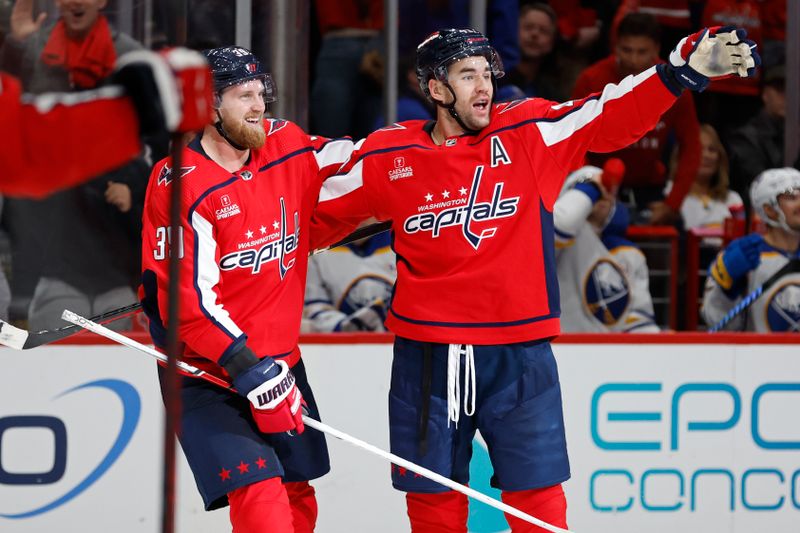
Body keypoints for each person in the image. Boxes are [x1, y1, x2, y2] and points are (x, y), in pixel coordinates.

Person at [310, 26, 758, 531]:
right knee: (432, 497)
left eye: (487, 74)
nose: (484, 87)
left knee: (538, 499)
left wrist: (679, 73)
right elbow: (301, 206)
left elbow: (606, 115)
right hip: (427, 354)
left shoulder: (528, 131)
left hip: (520, 351)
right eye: (466, 75)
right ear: (435, 89)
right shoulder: (389, 156)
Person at [139, 46, 353, 533]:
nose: (259, 106)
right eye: (243, 96)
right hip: (205, 372)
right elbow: (185, 307)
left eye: (261, 94)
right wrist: (248, 368)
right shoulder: (180, 184)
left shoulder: (286, 142)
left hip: (280, 360)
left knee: (297, 490)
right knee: (259, 495)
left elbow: (354, 167)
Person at [572, 12, 702, 225]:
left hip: (649, 189)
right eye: (626, 50)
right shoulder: (592, 80)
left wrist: (673, 203)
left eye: (642, 52)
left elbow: (692, 146)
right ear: (615, 46)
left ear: (656, 50)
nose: (633, 59)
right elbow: (573, 140)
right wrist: (587, 186)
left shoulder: (676, 84)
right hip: (598, 185)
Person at [555, 166, 660, 333]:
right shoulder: (554, 240)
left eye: (609, 190)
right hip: (558, 346)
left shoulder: (629, 254)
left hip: (609, 354)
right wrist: (592, 187)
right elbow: (562, 223)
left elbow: (638, 322)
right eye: (594, 189)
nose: (604, 193)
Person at [702, 168, 800, 333]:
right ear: (770, 210)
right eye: (791, 197)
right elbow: (718, 325)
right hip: (759, 357)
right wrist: (726, 291)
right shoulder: (744, 255)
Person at [303, 228, 395, 332]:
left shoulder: (403, 244)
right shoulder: (317, 251)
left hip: (400, 339)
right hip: (341, 344)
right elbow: (315, 306)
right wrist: (345, 325)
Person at [674, 124, 743, 232]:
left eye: (712, 150)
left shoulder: (733, 199)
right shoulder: (668, 196)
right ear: (682, 156)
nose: (706, 155)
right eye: (698, 149)